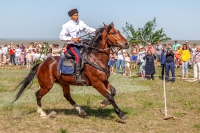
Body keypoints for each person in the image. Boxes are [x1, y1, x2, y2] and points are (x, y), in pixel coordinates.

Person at [59, 8, 96, 83]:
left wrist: (96, 31)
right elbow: (61, 36)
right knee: (78, 56)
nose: (77, 16)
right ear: (71, 17)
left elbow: (88, 29)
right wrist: (72, 39)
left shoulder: (81, 23)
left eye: (77, 15)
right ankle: (77, 76)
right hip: (72, 46)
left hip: (81, 45)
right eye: (75, 15)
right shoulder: (66, 25)